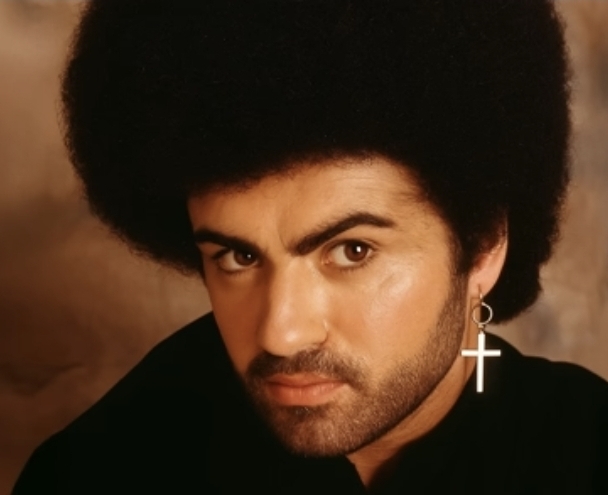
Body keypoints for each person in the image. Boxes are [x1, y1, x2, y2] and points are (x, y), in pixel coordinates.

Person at [12, 0, 608, 493]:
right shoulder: (100, 471)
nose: (281, 333)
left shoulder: (586, 452)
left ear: (482, 248)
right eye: (239, 257)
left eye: (351, 252)